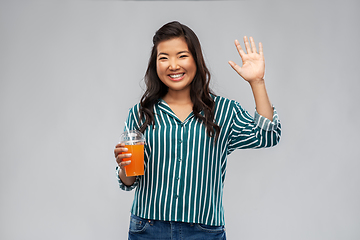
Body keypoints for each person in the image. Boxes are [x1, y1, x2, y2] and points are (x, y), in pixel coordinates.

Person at [114, 21, 281, 240]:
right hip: (148, 229)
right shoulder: (141, 113)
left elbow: (268, 135)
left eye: (182, 55)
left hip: (204, 231)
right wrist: (124, 168)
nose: (173, 65)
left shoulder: (223, 111)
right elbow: (129, 182)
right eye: (164, 58)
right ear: (155, 64)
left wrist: (257, 82)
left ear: (196, 59)